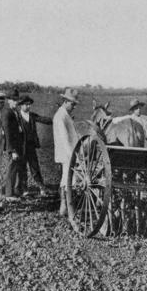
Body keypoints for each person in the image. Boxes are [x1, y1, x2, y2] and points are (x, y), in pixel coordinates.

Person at [53, 88, 80, 227]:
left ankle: (64, 208)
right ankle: (69, 210)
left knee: (66, 179)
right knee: (69, 180)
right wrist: (73, 156)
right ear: (65, 101)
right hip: (67, 154)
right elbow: (64, 140)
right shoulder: (60, 116)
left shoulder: (65, 115)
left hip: (69, 153)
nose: (74, 107)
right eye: (72, 104)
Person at [18, 95, 53, 197]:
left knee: (35, 168)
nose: (28, 106)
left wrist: (55, 120)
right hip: (21, 147)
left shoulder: (32, 115)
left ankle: (42, 188)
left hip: (31, 146)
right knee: (22, 168)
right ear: (21, 105)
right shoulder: (17, 117)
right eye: (26, 104)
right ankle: (24, 189)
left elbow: (43, 119)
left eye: (29, 104)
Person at [2, 89, 25, 201]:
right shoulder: (7, 113)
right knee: (11, 170)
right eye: (14, 100)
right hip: (13, 147)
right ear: (9, 100)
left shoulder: (14, 112)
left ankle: (14, 191)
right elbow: (8, 133)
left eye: (17, 100)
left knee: (16, 169)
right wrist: (12, 150)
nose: (16, 102)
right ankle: (8, 194)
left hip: (18, 145)